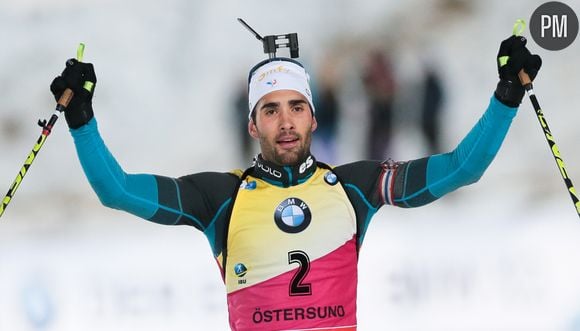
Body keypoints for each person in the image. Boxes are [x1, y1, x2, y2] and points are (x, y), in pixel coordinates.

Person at [50, 35, 541, 331]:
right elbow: (116, 190)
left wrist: (505, 96)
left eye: (296, 107)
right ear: (252, 124)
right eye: (270, 109)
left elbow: (462, 168)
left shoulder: (355, 187)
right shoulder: (219, 196)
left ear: (313, 118)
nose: (285, 121)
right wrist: (81, 119)